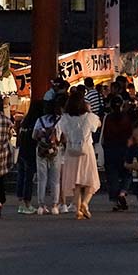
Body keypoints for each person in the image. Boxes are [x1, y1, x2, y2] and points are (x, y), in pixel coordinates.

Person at [57, 90, 101, 220]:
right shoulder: (89, 117)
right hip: (86, 150)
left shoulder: (65, 118)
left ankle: (78, 210)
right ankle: (85, 203)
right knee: (90, 180)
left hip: (71, 151)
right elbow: (98, 125)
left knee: (76, 182)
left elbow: (63, 133)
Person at [102, 95, 133, 212]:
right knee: (128, 172)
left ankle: (116, 200)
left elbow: (104, 134)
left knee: (112, 175)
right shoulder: (127, 117)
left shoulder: (107, 118)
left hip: (110, 148)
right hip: (125, 148)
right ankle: (123, 192)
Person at [33, 100, 63, 215]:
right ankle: (55, 205)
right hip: (55, 150)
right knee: (55, 179)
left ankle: (41, 205)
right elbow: (62, 138)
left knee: (42, 178)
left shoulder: (40, 120)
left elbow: (34, 136)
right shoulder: (60, 120)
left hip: (41, 150)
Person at [15, 103, 44, 215]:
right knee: (28, 179)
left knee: (21, 177)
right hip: (30, 153)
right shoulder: (35, 124)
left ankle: (21, 203)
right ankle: (27, 202)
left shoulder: (24, 124)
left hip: (22, 152)